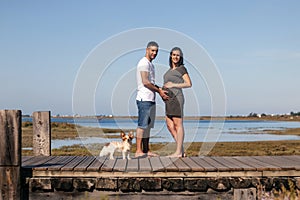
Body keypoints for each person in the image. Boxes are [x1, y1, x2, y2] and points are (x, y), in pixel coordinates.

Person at [135, 41, 169, 158]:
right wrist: (159, 91)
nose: (154, 53)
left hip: (151, 99)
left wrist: (159, 90)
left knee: (148, 127)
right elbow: (145, 82)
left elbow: (151, 83)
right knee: (142, 125)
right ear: (147, 49)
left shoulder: (151, 64)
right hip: (144, 99)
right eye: (152, 50)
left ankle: (146, 150)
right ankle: (138, 150)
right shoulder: (143, 63)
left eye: (156, 51)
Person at [163, 47, 192, 157]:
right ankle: (181, 150)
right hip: (168, 100)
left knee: (178, 124)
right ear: (170, 55)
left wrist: (173, 85)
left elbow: (189, 84)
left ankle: (178, 152)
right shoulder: (169, 70)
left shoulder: (182, 69)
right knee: (170, 126)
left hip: (177, 99)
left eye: (178, 55)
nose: (175, 57)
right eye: (174, 55)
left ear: (180, 57)